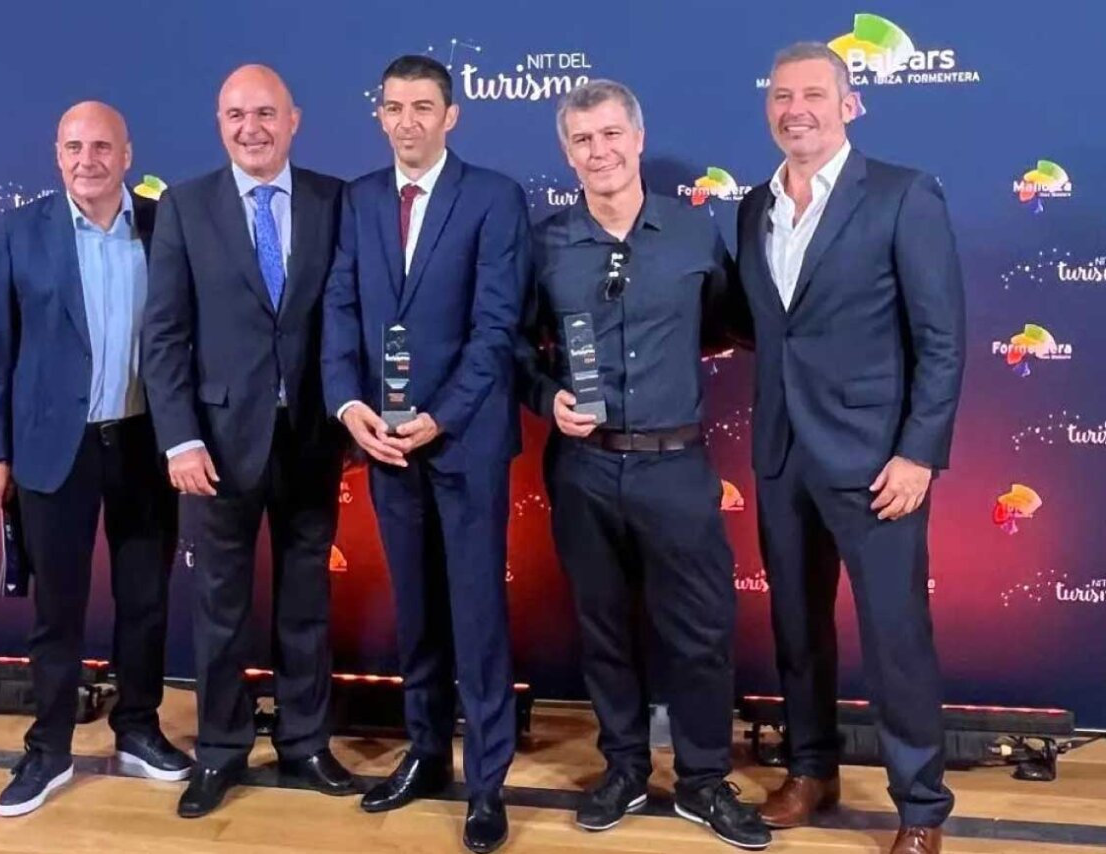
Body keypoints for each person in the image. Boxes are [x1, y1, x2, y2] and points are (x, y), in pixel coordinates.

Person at [516, 79, 771, 851]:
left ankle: (700, 779)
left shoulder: (695, 234)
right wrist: (546, 394)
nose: (599, 151)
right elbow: (519, 347)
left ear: (636, 137)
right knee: (603, 630)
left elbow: (732, 324)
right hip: (584, 470)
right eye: (582, 141)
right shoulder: (548, 243)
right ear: (568, 153)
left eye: (610, 135)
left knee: (699, 631)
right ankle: (623, 767)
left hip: (676, 466)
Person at [734, 43, 965, 854]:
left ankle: (921, 810)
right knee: (797, 629)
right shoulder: (750, 207)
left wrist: (919, 454)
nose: (795, 108)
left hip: (877, 462)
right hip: (781, 453)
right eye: (781, 95)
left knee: (897, 637)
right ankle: (811, 770)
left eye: (813, 95)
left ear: (849, 105)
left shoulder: (903, 195)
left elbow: (940, 340)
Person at [321, 54, 529, 854]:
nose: (407, 120)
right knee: (417, 610)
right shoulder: (361, 199)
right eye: (394, 107)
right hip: (383, 446)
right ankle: (425, 755)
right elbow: (340, 310)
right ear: (379, 115)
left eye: (423, 107)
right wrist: (350, 409)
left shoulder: (493, 198)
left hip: (464, 442)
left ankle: (487, 784)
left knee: (476, 614)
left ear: (452, 116)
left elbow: (496, 328)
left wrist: (440, 417)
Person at [141, 65, 354, 819]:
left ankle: (307, 744)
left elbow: (350, 316)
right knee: (219, 610)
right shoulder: (185, 206)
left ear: (295, 119)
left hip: (311, 441)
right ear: (217, 121)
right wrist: (178, 441)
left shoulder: (337, 199)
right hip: (216, 450)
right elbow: (163, 335)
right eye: (235, 114)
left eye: (265, 112)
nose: (250, 127)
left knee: (306, 603)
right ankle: (221, 752)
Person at [0, 101, 189, 817]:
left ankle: (137, 728)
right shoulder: (19, 233)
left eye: (102, 146)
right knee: (57, 611)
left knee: (146, 602)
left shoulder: (166, 228)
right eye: (74, 146)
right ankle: (50, 748)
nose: (87, 159)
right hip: (50, 451)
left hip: (142, 444)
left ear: (128, 154)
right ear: (55, 153)